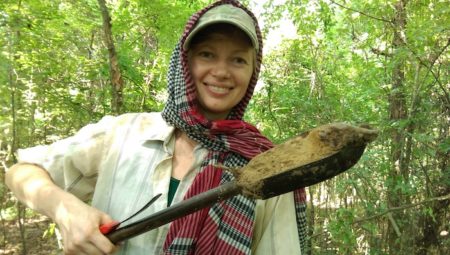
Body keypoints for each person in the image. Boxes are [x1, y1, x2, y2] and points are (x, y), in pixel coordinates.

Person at [5, 0, 307, 254]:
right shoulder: (124, 133)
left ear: (252, 72)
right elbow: (23, 172)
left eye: (238, 60)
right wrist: (65, 210)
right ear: (184, 62)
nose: (221, 71)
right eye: (207, 54)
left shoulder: (267, 167)